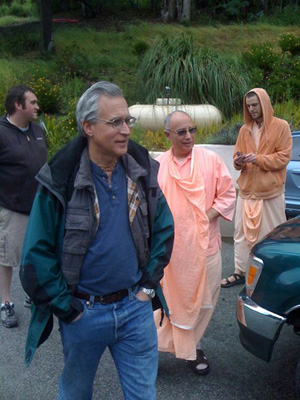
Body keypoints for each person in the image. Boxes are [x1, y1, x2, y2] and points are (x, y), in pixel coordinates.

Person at [20, 81, 174, 400]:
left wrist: (147, 289)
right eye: (115, 122)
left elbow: (164, 229)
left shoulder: (140, 172)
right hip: (84, 313)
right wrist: (68, 309)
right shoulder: (60, 180)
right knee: (75, 393)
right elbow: (35, 257)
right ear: (88, 126)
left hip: (135, 309)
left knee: (143, 395)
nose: (126, 130)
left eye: (127, 120)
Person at [154, 110, 236, 375]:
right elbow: (151, 207)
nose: (188, 136)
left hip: (206, 246)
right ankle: (152, 347)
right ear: (167, 135)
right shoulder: (158, 165)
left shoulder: (210, 160)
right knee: (168, 302)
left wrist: (202, 217)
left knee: (203, 301)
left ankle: (193, 346)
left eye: (192, 130)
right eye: (181, 132)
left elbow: (227, 194)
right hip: (170, 251)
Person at [221, 88, 292, 288]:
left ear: (264, 104)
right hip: (246, 192)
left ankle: (272, 273)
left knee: (270, 233)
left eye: (255, 105)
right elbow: (236, 160)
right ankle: (240, 272)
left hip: (270, 193)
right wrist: (240, 161)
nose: (251, 109)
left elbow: (283, 157)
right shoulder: (245, 130)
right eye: (248, 106)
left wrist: (258, 159)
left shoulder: (281, 126)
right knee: (241, 233)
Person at [0, 85, 47, 328]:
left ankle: (33, 293)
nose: (38, 106)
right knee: (7, 257)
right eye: (33, 102)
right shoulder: (2, 132)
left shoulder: (38, 130)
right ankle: (6, 302)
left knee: (36, 255)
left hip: (38, 207)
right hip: (11, 207)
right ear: (19, 105)